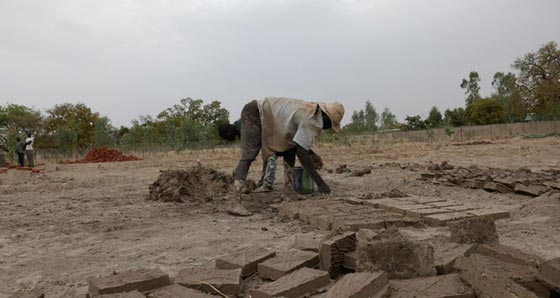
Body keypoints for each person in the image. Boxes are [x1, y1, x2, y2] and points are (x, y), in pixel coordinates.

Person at [229, 97, 344, 216]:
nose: (327, 128)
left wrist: (312, 154)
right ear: (326, 117)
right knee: (249, 155)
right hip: (255, 113)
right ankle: (235, 202)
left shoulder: (312, 112)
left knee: (290, 148)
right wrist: (320, 182)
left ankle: (288, 190)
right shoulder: (311, 119)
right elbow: (302, 153)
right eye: (330, 124)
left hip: (269, 117)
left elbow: (298, 146)